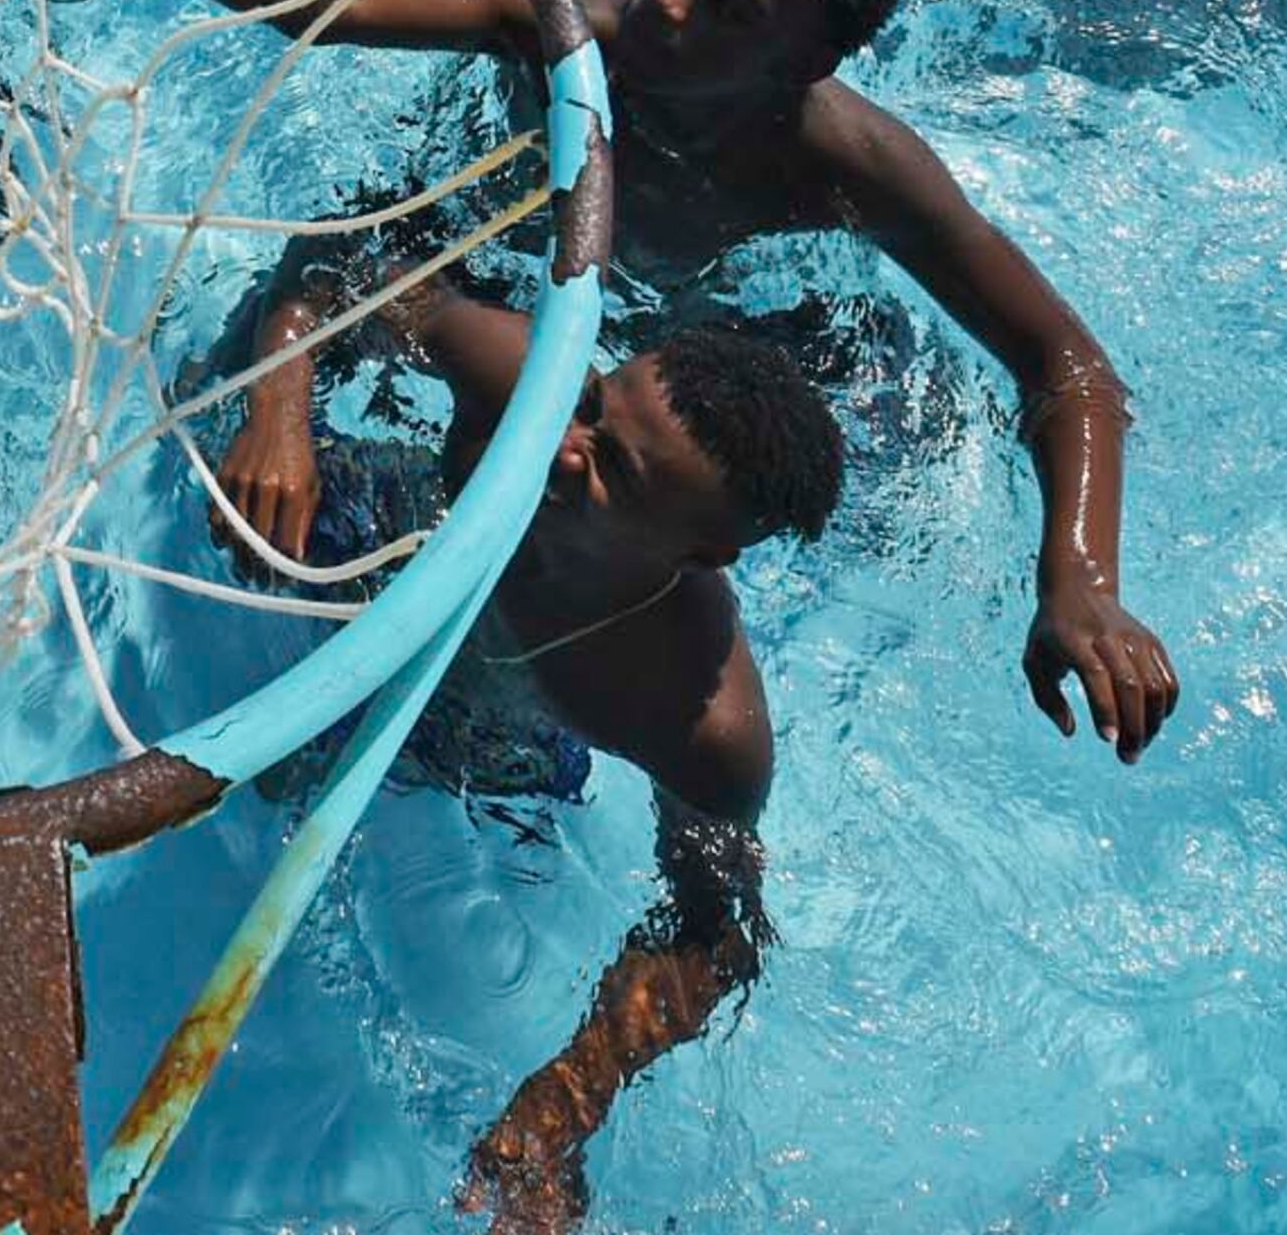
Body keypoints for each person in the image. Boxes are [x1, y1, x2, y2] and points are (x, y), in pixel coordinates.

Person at [0, 0, 1182, 765]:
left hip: (695, 325)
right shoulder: (572, 20)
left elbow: (1064, 362)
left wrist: (1080, 576)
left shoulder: (844, 167)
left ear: (798, 65)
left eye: (725, 4)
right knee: (267, 349)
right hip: (509, 245)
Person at [231, 270, 840, 1233]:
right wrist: (280, 414)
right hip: (367, 533)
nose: (562, 446)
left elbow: (715, 936)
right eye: (595, 408)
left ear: (699, 557)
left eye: (616, 475)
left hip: (491, 740)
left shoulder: (693, 717)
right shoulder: (525, 377)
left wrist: (564, 1103)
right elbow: (331, 277)